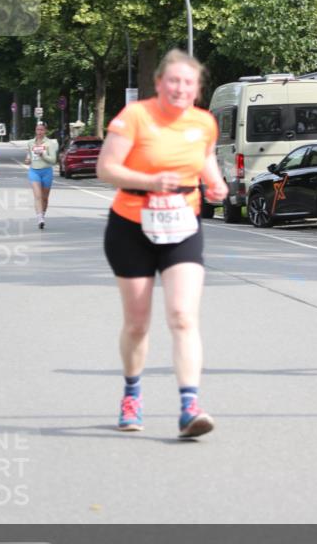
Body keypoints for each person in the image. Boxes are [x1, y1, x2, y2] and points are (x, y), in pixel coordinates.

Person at [96, 49, 228, 439]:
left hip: (182, 225)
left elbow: (205, 158)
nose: (180, 89)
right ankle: (132, 395)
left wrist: (216, 183)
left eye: (188, 83)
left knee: (183, 316)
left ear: (197, 89)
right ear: (158, 84)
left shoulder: (204, 123)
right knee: (138, 323)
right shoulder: (135, 116)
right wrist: (151, 181)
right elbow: (106, 168)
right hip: (131, 225)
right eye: (173, 81)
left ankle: (190, 407)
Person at [25, 123, 58, 229]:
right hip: (34, 171)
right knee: (37, 196)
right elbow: (29, 156)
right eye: (38, 130)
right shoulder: (30, 143)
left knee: (44, 198)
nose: (39, 132)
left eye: (42, 130)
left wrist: (43, 155)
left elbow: (53, 160)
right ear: (35, 130)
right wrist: (27, 160)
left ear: (45, 131)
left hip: (46, 172)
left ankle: (42, 214)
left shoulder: (50, 143)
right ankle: (40, 218)